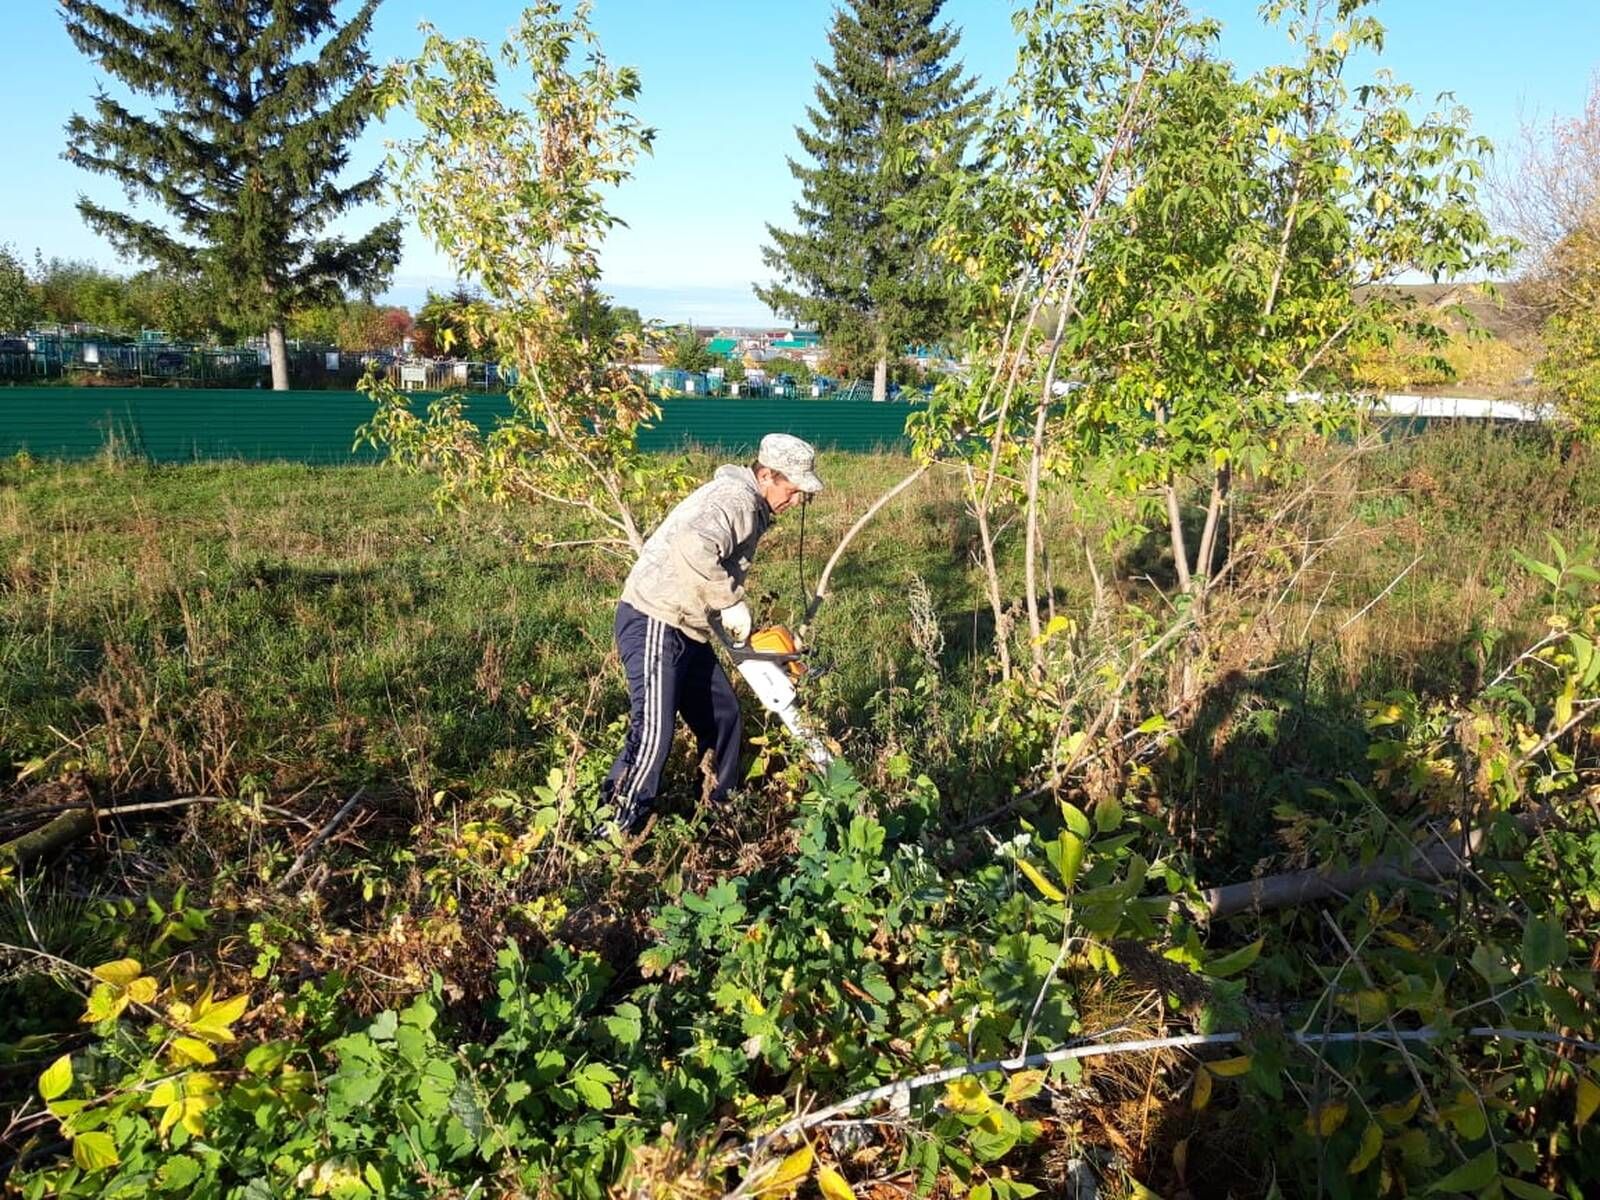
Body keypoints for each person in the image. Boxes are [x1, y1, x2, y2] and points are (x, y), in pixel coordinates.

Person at [601, 433, 825, 836]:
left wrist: (737, 632)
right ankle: (614, 828)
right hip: (657, 618)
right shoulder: (734, 499)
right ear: (767, 476)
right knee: (653, 731)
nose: (796, 502)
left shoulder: (752, 505)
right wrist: (728, 600)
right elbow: (693, 544)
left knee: (723, 715)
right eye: (792, 491)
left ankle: (721, 809)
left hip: (689, 627)